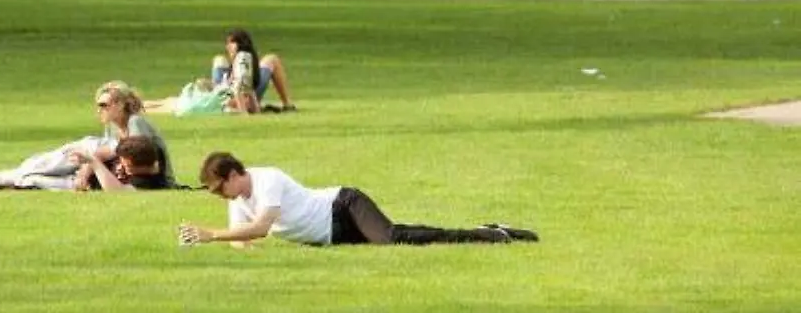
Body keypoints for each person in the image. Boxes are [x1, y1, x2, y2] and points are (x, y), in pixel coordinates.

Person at [178, 153, 539, 248]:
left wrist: (211, 235)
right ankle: (490, 230)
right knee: (404, 236)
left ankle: (491, 236)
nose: (219, 196)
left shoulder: (267, 179)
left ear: (233, 175)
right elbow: (241, 237)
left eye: (219, 188)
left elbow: (258, 229)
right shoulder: (238, 199)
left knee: (392, 238)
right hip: (330, 234)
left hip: (342, 206)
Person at [0, 81, 175, 190]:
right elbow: (105, 155)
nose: (99, 110)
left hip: (130, 179)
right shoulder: (113, 127)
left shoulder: (136, 123)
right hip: (106, 173)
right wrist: (88, 168)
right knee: (61, 159)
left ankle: (11, 177)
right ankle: (13, 174)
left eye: (104, 105)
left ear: (121, 104)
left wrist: (89, 168)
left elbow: (139, 157)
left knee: (84, 148)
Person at [211, 29, 295, 113]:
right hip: (227, 94)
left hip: (245, 91)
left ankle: (287, 104)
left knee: (272, 59)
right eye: (227, 43)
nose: (228, 46)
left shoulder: (245, 59)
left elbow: (242, 86)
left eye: (232, 42)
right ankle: (220, 101)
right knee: (219, 59)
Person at [74, 135, 174, 192]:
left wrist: (95, 163)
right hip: (85, 161)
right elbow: (99, 154)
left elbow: (116, 191)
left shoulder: (147, 182)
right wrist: (83, 176)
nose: (120, 167)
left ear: (140, 167)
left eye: (127, 166)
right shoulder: (149, 148)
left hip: (84, 179)